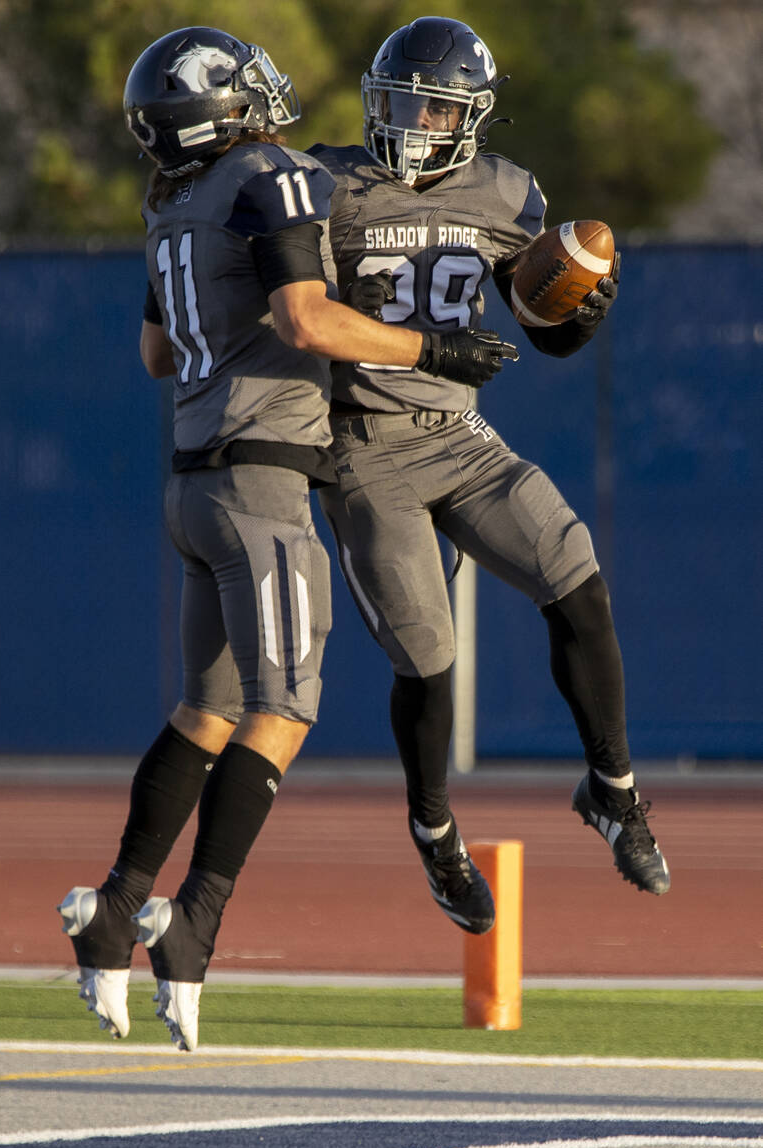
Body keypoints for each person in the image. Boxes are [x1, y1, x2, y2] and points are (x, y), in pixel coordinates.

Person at [58, 25, 506, 1052]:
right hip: (260, 481)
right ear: (217, 110)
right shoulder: (268, 175)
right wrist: (429, 346)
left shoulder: (171, 203)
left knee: (207, 708)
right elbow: (306, 321)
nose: (263, 100)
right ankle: (195, 923)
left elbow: (155, 351)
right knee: (286, 708)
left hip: (190, 482)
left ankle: (119, 909)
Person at [309, 16, 670, 934]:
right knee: (428, 659)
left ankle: (615, 791)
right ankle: (436, 836)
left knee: (576, 574)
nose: (412, 120)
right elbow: (300, 313)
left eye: (433, 105)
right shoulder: (326, 187)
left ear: (473, 116)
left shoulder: (508, 196)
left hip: (461, 436)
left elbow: (539, 329)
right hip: (363, 443)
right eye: (397, 101)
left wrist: (578, 315)